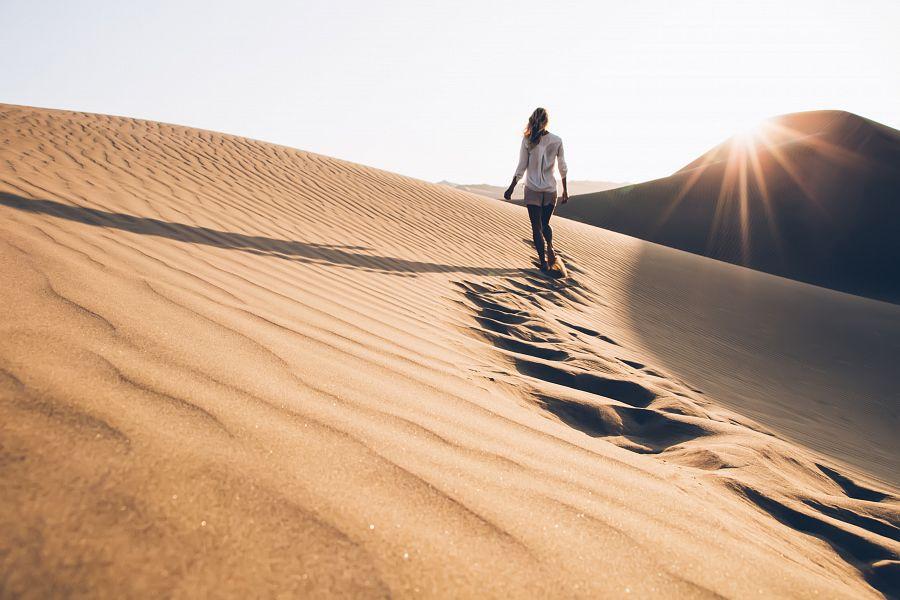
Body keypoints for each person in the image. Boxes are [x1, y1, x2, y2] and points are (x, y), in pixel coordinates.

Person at [504, 107, 568, 272]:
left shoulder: (527, 140)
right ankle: (551, 248)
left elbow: (521, 166)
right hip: (550, 189)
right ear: (546, 121)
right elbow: (562, 167)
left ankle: (544, 262)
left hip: (532, 188)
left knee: (537, 227)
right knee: (545, 224)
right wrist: (565, 190)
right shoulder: (557, 140)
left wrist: (511, 187)